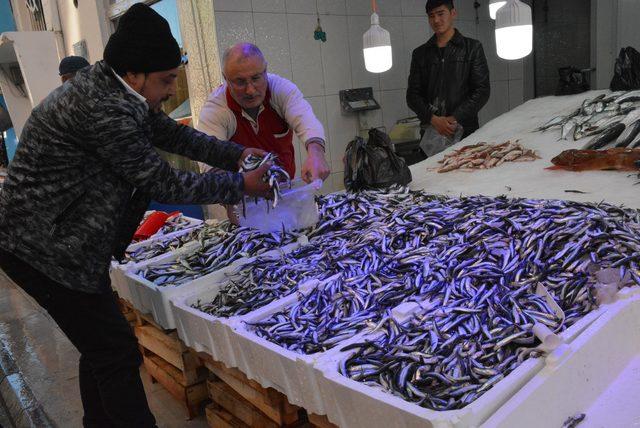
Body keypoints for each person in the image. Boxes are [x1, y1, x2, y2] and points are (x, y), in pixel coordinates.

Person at [0, 4, 270, 427]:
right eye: (164, 81)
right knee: (115, 352)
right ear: (133, 75)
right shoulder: (102, 109)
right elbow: (164, 182)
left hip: (66, 241)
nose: (169, 90)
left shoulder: (115, 90)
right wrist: (241, 184)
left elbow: (170, 133)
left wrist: (236, 154)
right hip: (42, 248)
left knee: (102, 348)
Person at [198, 43, 330, 183]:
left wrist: (316, 153)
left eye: (256, 78)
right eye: (240, 82)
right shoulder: (215, 109)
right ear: (226, 79)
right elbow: (210, 161)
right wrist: (228, 192)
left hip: (285, 188)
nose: (250, 90)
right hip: (242, 195)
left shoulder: (281, 89)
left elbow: (306, 121)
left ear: (265, 70)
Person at [407, 0, 490, 141]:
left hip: (466, 131)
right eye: (431, 15)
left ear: (453, 13)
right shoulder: (420, 53)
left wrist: (453, 118)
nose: (436, 20)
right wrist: (433, 119)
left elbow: (482, 91)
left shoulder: (472, 48)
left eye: (440, 14)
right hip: (431, 133)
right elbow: (412, 95)